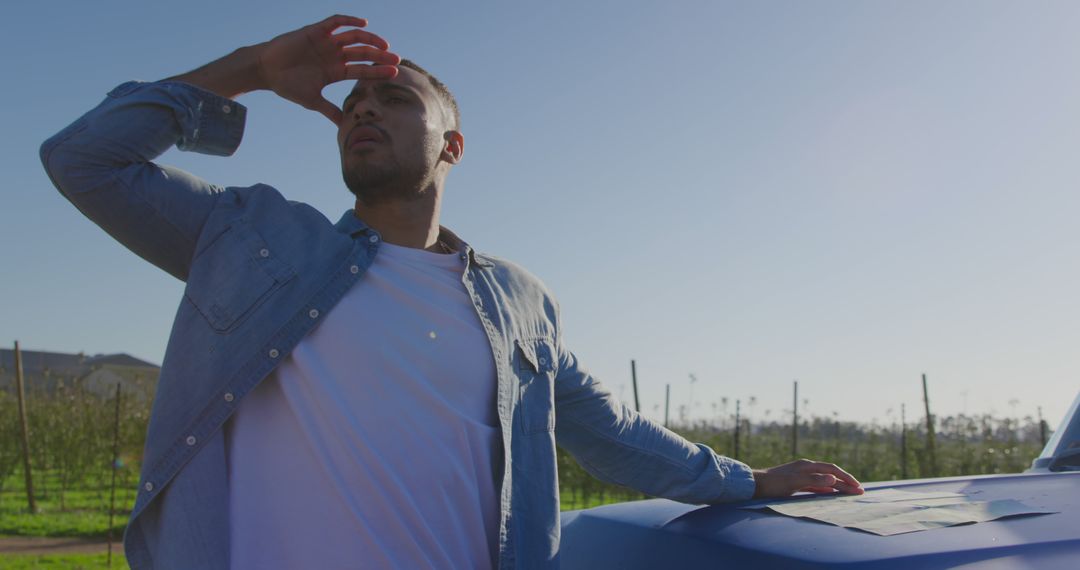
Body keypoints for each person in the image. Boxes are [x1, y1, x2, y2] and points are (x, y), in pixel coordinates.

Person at [40, 14, 863, 570]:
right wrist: (251, 70)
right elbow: (85, 157)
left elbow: (606, 429)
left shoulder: (518, 302)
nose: (363, 111)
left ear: (453, 145)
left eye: (393, 99)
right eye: (354, 103)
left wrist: (747, 481)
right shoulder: (255, 239)